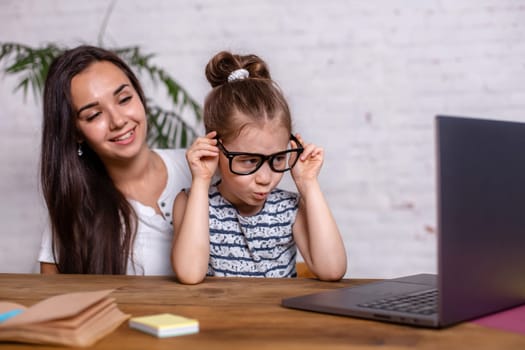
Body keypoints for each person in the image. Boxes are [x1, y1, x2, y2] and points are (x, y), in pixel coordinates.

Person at [171, 51, 347, 284]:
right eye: (249, 161)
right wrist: (202, 181)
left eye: (276, 159)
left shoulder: (289, 209)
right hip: (217, 318)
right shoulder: (191, 202)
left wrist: (308, 183)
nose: (265, 178)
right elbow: (190, 274)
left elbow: (332, 270)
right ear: (214, 148)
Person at [38, 45, 191, 275]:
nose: (118, 121)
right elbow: (50, 303)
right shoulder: (74, 208)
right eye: (94, 115)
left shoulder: (198, 169)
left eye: (124, 99)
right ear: (75, 132)